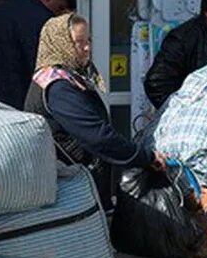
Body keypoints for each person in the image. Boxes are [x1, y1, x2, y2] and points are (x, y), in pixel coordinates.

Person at [24, 12, 165, 207]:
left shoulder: (68, 78)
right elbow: (97, 136)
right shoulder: (57, 86)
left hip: (77, 184)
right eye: (78, 42)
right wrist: (143, 157)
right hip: (70, 192)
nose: (87, 48)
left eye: (88, 40)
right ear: (60, 43)